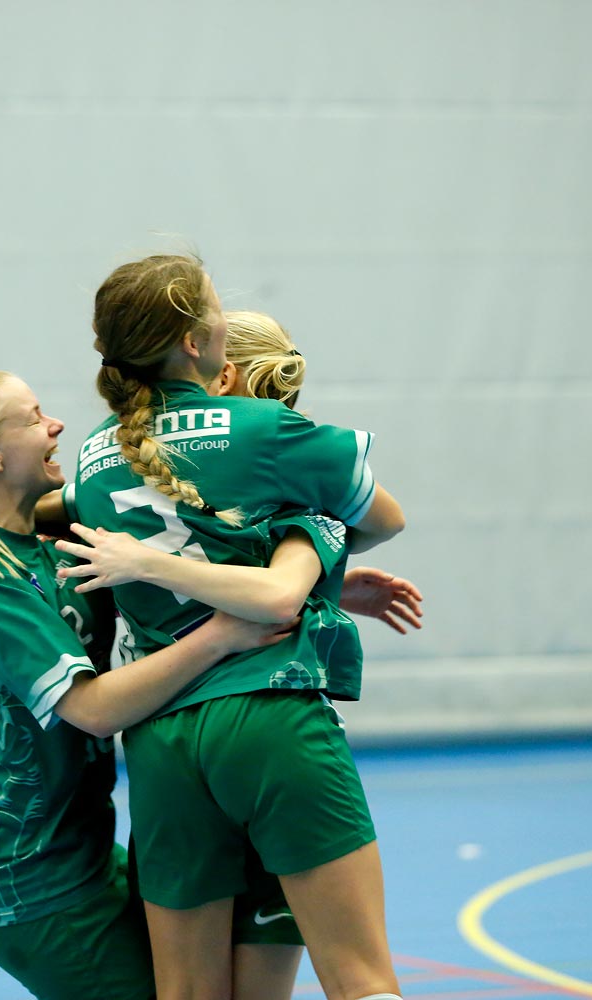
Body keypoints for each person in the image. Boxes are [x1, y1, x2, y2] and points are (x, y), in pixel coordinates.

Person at [66, 254, 408, 1000]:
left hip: (158, 739)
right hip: (267, 714)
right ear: (195, 342)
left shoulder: (92, 457)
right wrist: (312, 546)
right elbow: (386, 518)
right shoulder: (268, 432)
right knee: (360, 977)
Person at [0, 370, 290, 1000]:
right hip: (28, 880)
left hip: (79, 850)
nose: (55, 425)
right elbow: (94, 709)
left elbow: (165, 573)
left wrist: (308, 589)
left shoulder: (46, 550)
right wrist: (221, 634)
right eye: (31, 417)